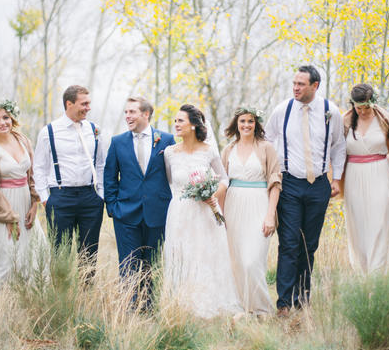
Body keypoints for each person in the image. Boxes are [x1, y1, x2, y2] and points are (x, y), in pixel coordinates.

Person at [264, 65, 346, 316]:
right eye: (294, 83)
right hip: (289, 184)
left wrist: (337, 179)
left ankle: (303, 299)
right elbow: (267, 140)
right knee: (288, 243)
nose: (296, 88)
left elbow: (339, 146)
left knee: (309, 244)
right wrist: (273, 174)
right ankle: (284, 303)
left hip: (319, 184)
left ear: (315, 86)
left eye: (301, 84)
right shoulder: (283, 109)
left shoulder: (330, 111)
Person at [162, 104, 242, 318]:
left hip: (205, 211)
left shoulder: (208, 151)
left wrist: (213, 195)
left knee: (205, 254)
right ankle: (182, 304)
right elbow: (171, 182)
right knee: (183, 255)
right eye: (176, 120)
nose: (176, 124)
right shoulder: (169, 153)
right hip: (179, 212)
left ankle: (208, 302)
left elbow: (224, 178)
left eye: (181, 121)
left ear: (193, 125)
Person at [104, 96, 175, 309]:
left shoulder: (166, 140)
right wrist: (113, 208)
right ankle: (129, 307)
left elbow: (173, 174)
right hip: (125, 213)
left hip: (157, 212)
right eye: (126, 112)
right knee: (128, 262)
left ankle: (150, 305)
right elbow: (109, 177)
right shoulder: (118, 142)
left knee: (152, 261)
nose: (127, 116)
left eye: (132, 112)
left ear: (145, 114)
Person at [0, 100, 49, 296]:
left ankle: (20, 307)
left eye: (5, 117)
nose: (2, 123)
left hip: (24, 205)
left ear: (12, 119)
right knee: (5, 262)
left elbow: (31, 175)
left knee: (29, 259)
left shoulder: (22, 140)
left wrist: (34, 205)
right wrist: (8, 217)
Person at [33, 86, 106, 268]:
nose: (88, 108)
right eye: (84, 104)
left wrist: (101, 195)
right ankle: (61, 296)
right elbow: (39, 167)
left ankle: (86, 294)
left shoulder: (94, 130)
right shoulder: (49, 132)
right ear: (69, 104)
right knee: (60, 254)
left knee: (89, 255)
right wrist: (45, 199)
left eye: (89, 103)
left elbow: (101, 164)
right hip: (60, 198)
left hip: (90, 198)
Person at [221, 106, 281, 315]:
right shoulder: (228, 149)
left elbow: (275, 182)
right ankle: (242, 307)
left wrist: (270, 215)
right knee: (237, 261)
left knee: (252, 261)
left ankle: (262, 310)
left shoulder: (266, 148)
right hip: (233, 206)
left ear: (257, 124)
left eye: (251, 121)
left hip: (259, 205)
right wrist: (220, 215)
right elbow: (222, 184)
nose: (246, 125)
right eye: (242, 121)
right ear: (236, 124)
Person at [342, 83, 389, 273]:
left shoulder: (385, 120)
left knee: (379, 223)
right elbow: (335, 150)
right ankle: (363, 271)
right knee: (358, 226)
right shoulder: (345, 121)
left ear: (373, 103)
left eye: (367, 107)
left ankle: (378, 272)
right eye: (359, 107)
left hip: (381, 173)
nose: (363, 111)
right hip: (353, 176)